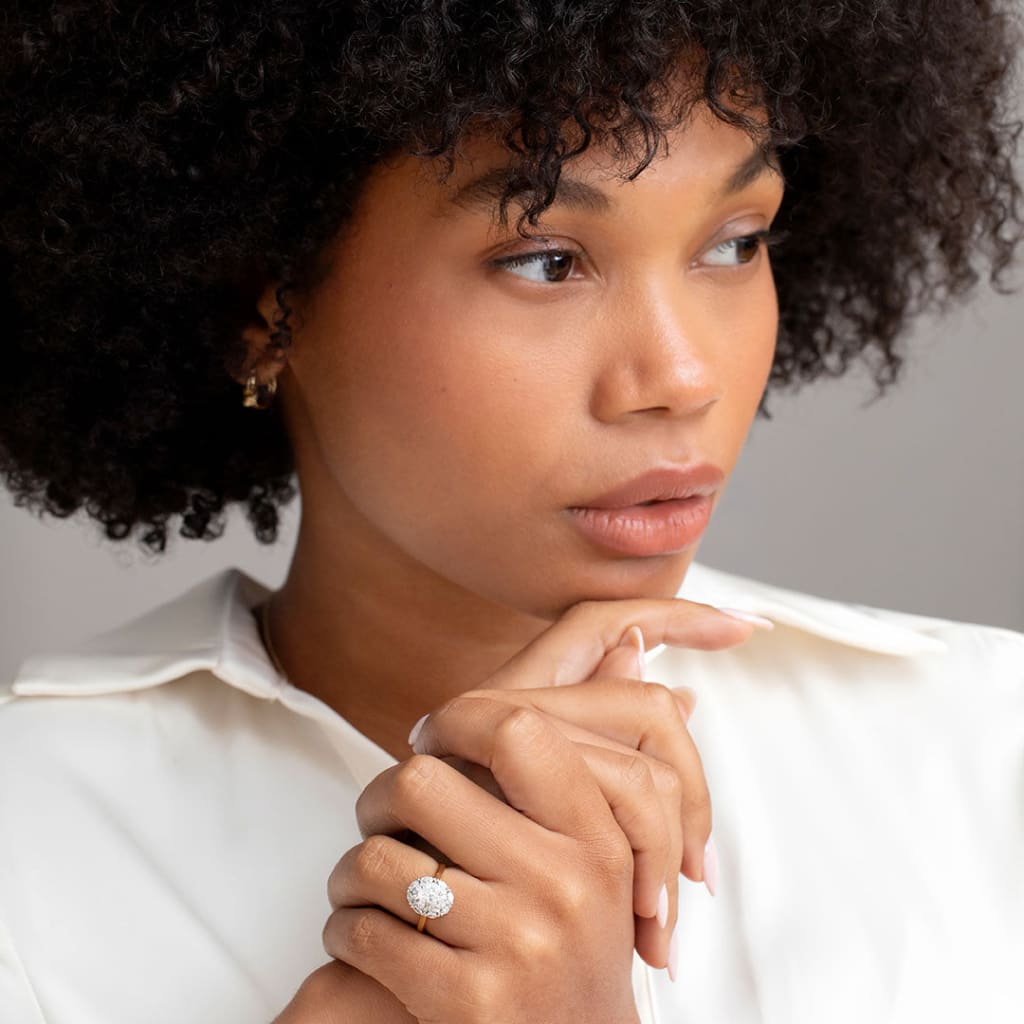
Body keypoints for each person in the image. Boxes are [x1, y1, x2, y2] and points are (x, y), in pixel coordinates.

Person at [1, 3, 1021, 1022]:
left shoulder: (980, 744)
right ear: (263, 308)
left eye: (735, 241)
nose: (680, 374)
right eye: (546, 259)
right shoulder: (31, 846)